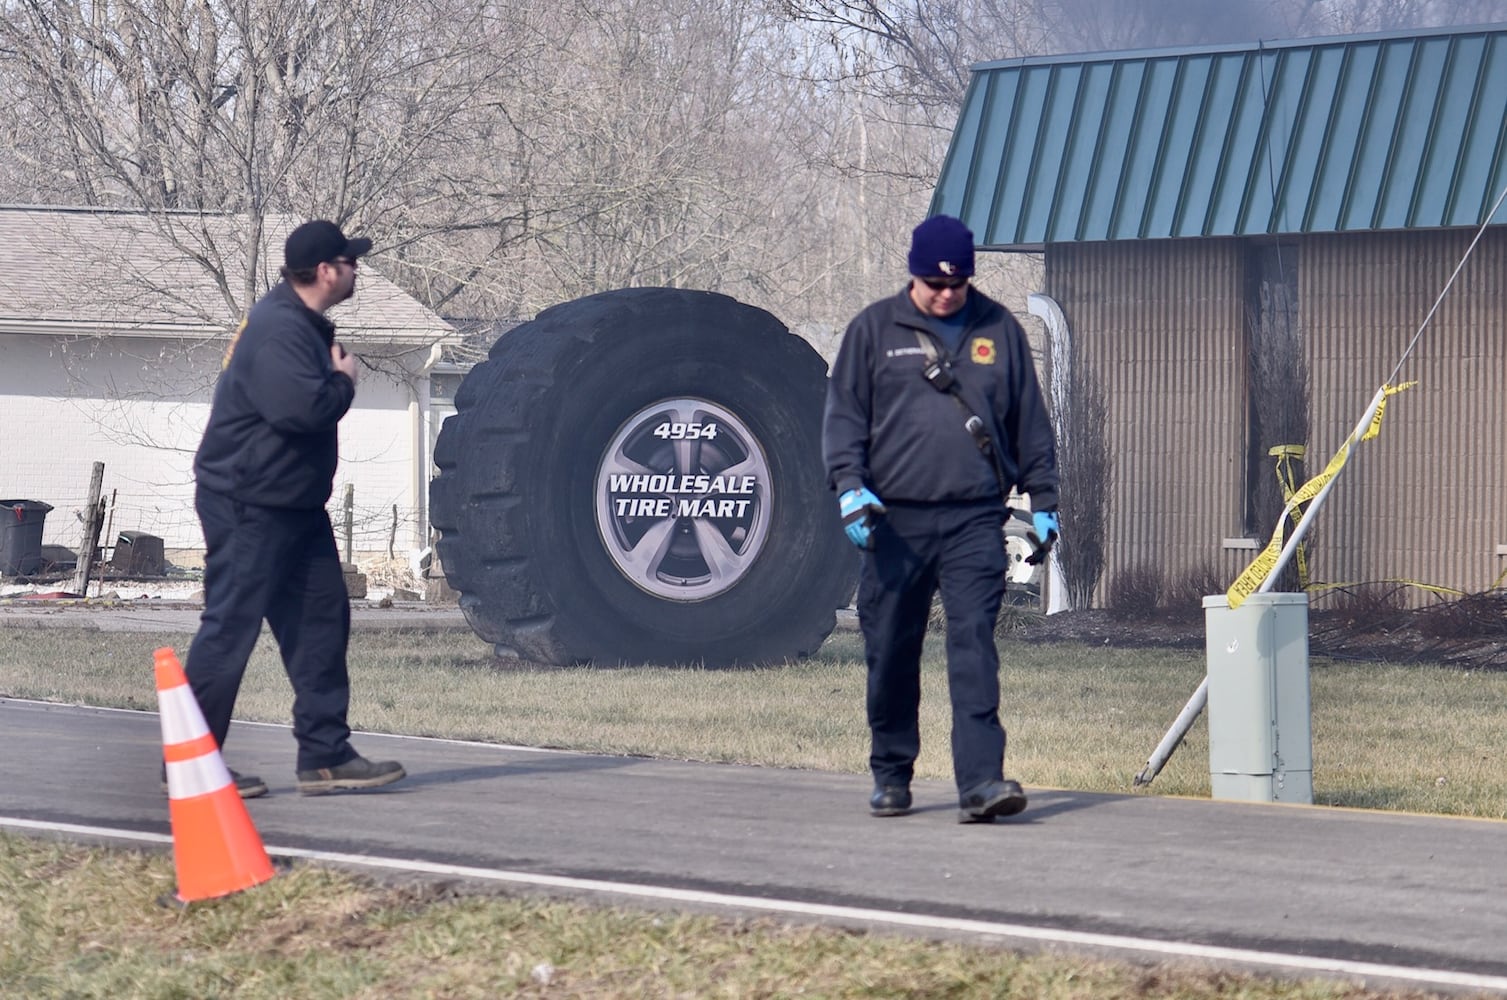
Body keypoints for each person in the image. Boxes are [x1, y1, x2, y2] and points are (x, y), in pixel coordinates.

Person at [822, 214, 1059, 822]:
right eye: (935, 283)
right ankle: (891, 771)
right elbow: (844, 419)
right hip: (893, 521)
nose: (947, 293)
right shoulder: (874, 330)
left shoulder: (996, 328)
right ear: (914, 273)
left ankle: (981, 782)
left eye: (957, 283)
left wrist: (1045, 499)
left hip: (976, 518)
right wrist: (849, 488)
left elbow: (1028, 420)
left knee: (973, 644)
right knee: (892, 649)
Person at [180, 219, 405, 798]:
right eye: (350, 261)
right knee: (229, 630)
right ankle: (191, 766)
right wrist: (343, 381)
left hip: (295, 506)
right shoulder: (279, 328)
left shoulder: (301, 324)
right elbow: (300, 411)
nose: (357, 269)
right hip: (248, 503)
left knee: (321, 625)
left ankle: (325, 756)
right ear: (327, 270)